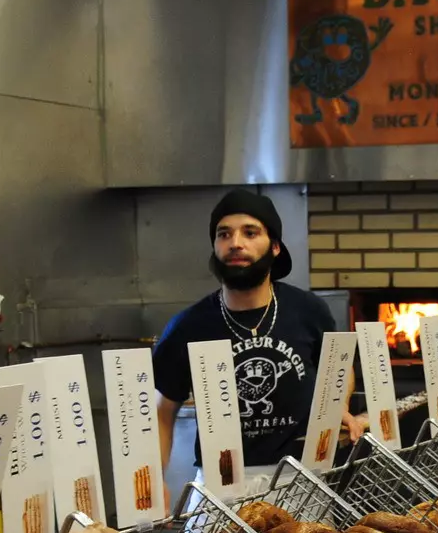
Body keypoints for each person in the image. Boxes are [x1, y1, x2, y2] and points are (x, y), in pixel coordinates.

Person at [153, 189, 365, 490]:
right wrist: (154, 478)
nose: (235, 243)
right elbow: (163, 411)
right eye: (224, 234)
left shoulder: (308, 310)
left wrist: (337, 405)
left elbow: (340, 368)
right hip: (220, 485)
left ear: (275, 246)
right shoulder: (188, 326)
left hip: (301, 477)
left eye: (250, 233)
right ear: (215, 246)